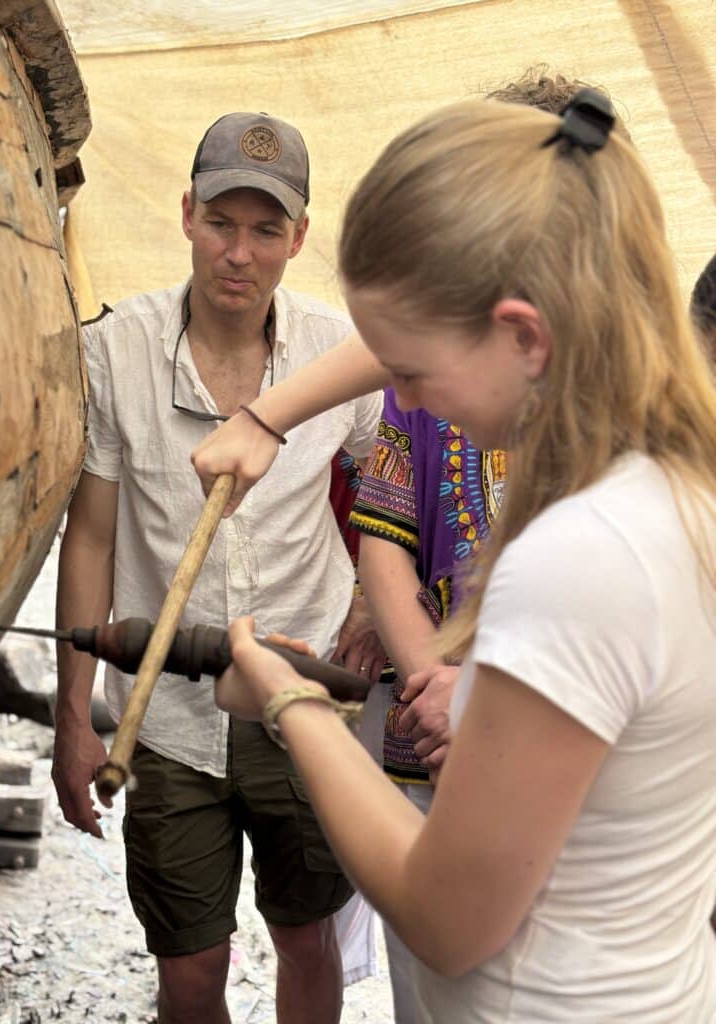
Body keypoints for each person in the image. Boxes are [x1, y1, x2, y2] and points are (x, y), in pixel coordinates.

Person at [192, 91, 716, 1022]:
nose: (406, 395)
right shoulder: (674, 481)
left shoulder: (581, 558)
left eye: (411, 372)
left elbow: (446, 918)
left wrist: (289, 701)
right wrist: (267, 416)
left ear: (524, 335)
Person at [52, 111, 383, 1024]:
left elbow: (387, 491)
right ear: (187, 214)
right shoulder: (115, 350)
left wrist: (369, 601)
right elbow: (90, 540)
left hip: (304, 702)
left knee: (307, 940)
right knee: (190, 969)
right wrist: (72, 718)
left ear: (299, 238)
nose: (240, 253)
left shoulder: (339, 356)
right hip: (166, 721)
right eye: (222, 223)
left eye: (266, 230)